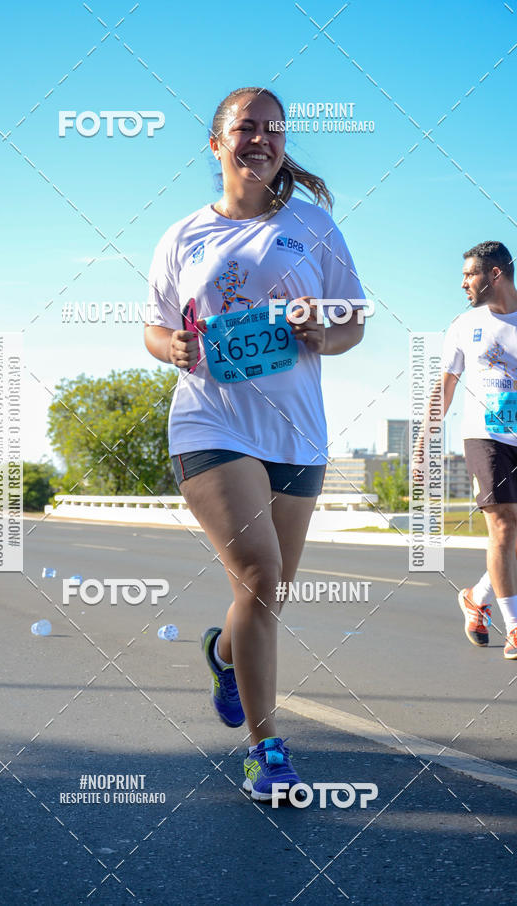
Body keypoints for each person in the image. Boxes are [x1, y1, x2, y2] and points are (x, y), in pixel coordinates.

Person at [144, 86, 366, 800]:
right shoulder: (183, 235)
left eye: (273, 128)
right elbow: (152, 326)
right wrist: (171, 345)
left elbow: (353, 319)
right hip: (212, 421)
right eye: (246, 127)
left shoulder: (315, 227)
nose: (261, 139)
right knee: (261, 576)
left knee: (268, 593)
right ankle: (265, 751)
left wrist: (321, 331)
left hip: (296, 430)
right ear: (217, 144)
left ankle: (223, 655)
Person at [429, 241, 517, 659]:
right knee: (502, 523)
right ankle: (515, 626)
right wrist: (425, 439)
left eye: (470, 275)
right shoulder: (465, 325)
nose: (463, 282)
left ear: (495, 275)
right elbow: (445, 385)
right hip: (485, 434)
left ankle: (476, 597)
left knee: (514, 534)